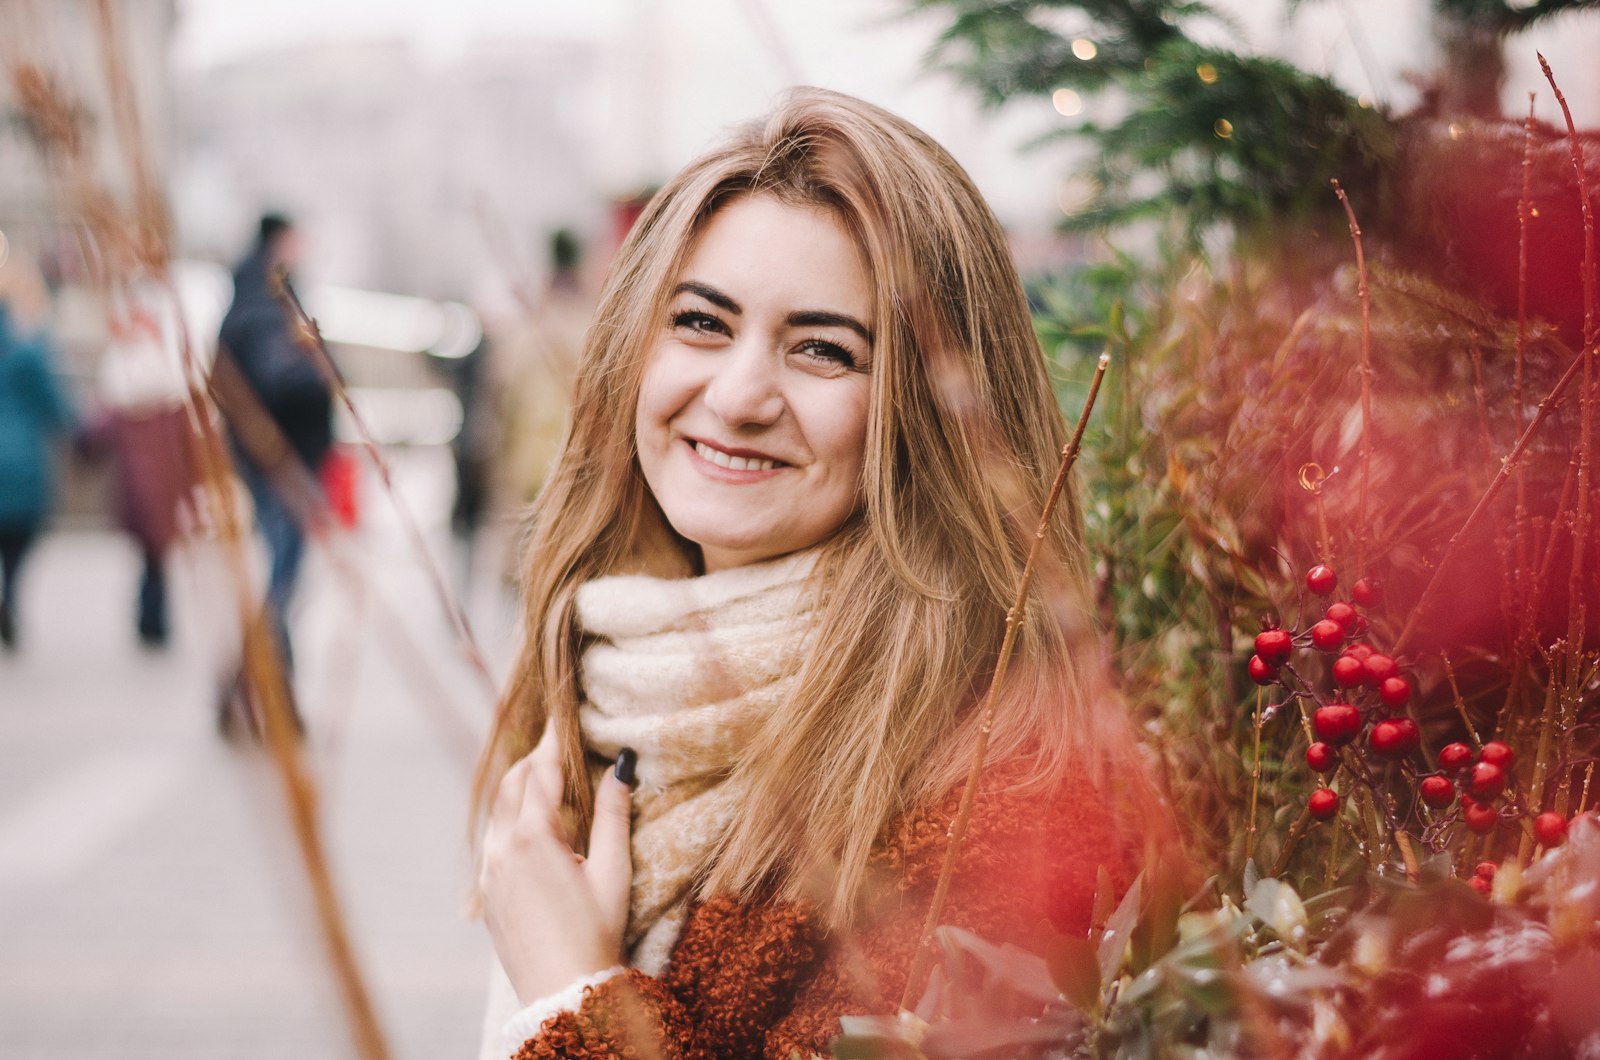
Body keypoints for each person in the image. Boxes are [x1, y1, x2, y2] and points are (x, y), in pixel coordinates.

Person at [473, 88, 1162, 1058]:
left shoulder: (989, 801)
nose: (740, 393)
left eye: (823, 350)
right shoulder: (603, 680)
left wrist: (573, 997)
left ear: (928, 411)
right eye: (703, 324)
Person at [214, 214, 332, 729]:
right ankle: (267, 686)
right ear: (278, 243)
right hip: (279, 462)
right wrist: (317, 366)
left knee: (283, 575)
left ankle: (243, 689)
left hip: (277, 460)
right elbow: (279, 379)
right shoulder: (265, 307)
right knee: (283, 577)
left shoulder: (257, 298)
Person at [0, 243, 76, 650]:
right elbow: (57, 407)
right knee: (18, 538)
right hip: (21, 460)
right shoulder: (27, 351)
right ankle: (9, 592)